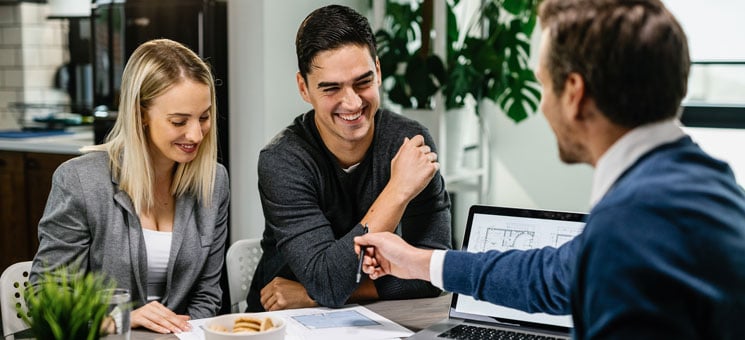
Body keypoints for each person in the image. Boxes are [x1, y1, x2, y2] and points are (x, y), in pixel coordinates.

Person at [355, 0, 745, 338]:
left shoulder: (631, 227)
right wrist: (419, 262)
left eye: (543, 85)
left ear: (574, 93)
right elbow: (552, 275)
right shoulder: (700, 185)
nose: (542, 106)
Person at [246, 5, 452, 312]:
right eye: (331, 88)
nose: (353, 103)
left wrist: (314, 292)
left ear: (378, 72)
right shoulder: (283, 160)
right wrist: (398, 191)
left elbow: (433, 272)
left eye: (363, 82)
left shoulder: (409, 143)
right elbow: (328, 281)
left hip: (377, 320)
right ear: (304, 88)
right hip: (287, 322)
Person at [30, 39, 229, 334]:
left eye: (204, 117)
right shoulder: (80, 181)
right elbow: (45, 297)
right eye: (178, 121)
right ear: (140, 115)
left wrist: (177, 333)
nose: (196, 134)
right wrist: (119, 320)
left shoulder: (213, 181)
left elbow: (208, 294)